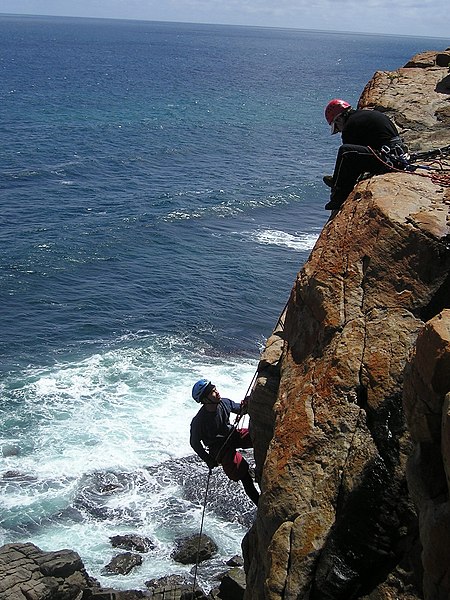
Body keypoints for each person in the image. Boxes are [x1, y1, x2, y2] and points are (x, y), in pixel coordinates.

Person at [323, 98, 408, 210]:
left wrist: (339, 185)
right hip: (395, 157)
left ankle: (338, 196)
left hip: (389, 160)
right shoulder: (365, 115)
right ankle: (336, 181)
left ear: (339, 119)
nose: (339, 131)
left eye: (337, 127)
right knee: (350, 152)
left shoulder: (350, 125)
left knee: (346, 151)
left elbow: (349, 161)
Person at [189, 379, 260, 506]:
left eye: (215, 389)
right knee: (243, 473)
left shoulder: (224, 403)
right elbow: (194, 443)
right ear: (205, 400)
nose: (217, 393)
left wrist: (247, 405)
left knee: (256, 436)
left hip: (231, 436)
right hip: (219, 448)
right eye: (212, 392)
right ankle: (260, 504)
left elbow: (240, 409)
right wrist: (208, 460)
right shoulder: (199, 421)